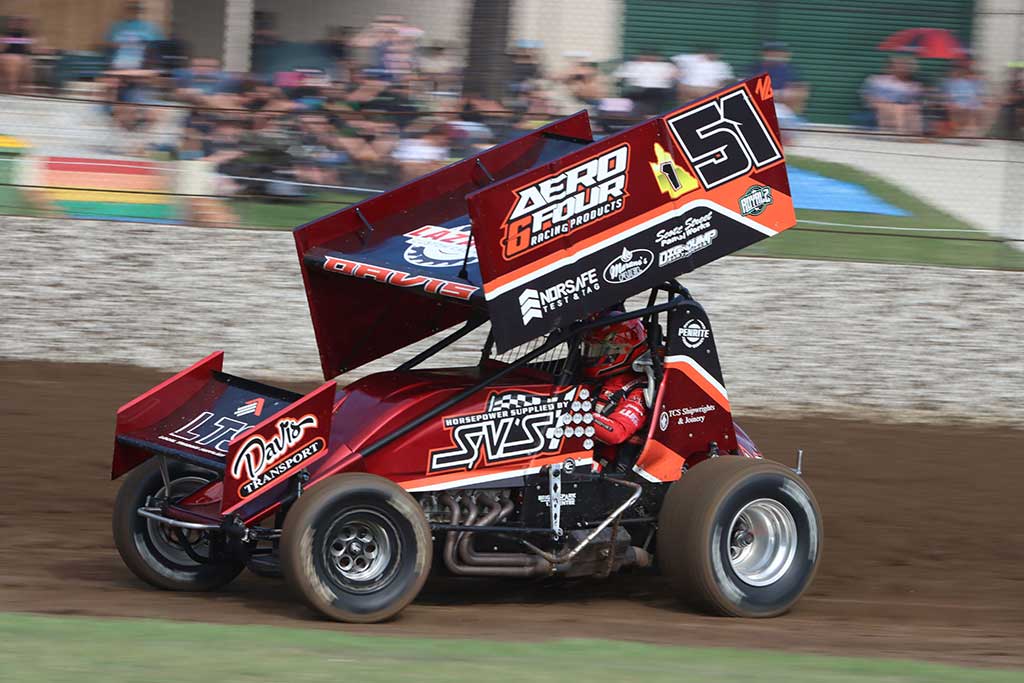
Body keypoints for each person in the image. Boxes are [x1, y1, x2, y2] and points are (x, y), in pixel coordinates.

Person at [581, 316, 650, 468]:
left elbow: (616, 433)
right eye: (590, 349)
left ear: (623, 351)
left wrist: (576, 413)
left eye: (599, 350)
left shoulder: (638, 390)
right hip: (584, 451)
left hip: (607, 467)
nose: (592, 355)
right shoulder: (601, 380)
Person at [749, 42, 809, 114]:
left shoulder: (792, 72)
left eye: (778, 52)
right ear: (764, 53)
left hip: (784, 112)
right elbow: (748, 92)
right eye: (771, 52)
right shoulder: (754, 69)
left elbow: (800, 94)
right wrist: (781, 95)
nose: (774, 55)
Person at [106, 1, 164, 71]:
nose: (133, 11)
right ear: (125, 10)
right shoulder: (116, 27)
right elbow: (110, 47)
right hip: (118, 67)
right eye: (130, 8)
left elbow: (158, 49)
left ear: (141, 10)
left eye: (135, 8)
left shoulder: (151, 28)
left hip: (142, 68)